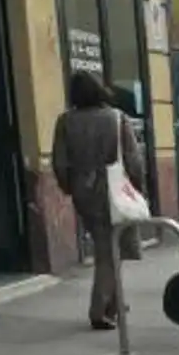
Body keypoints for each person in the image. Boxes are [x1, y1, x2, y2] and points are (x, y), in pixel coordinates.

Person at [52, 70, 145, 331]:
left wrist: (70, 187)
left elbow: (59, 161)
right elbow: (133, 159)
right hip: (114, 188)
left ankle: (115, 302)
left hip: (84, 191)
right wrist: (137, 188)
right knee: (110, 250)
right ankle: (99, 310)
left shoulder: (65, 121)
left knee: (107, 245)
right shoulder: (116, 118)